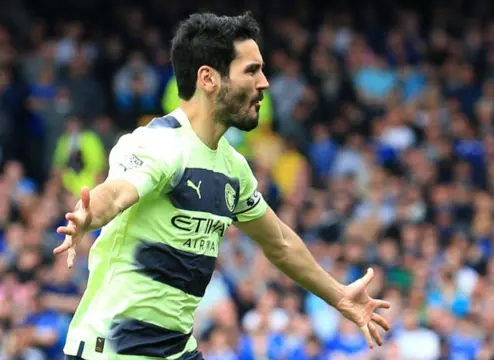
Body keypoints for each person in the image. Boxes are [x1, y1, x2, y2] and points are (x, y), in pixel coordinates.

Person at [53, 12, 391, 360]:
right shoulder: (158, 144)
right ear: (209, 78)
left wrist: (339, 295)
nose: (264, 83)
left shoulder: (233, 167)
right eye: (251, 70)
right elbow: (118, 192)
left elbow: (280, 243)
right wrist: (88, 214)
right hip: (110, 350)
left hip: (176, 350)